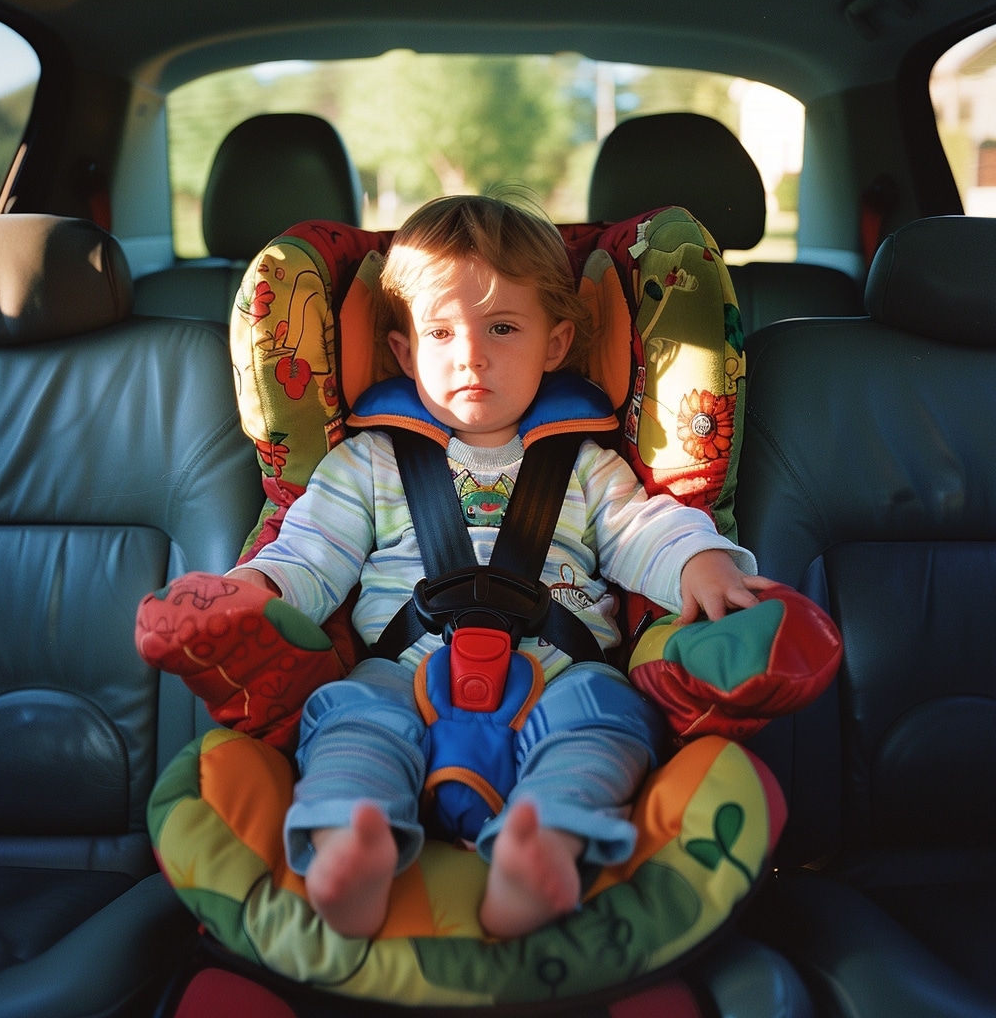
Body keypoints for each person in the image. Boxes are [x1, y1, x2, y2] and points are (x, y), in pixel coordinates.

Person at [228, 193, 773, 941]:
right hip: (402, 673)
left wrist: (701, 560)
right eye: (441, 332)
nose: (471, 356)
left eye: (503, 329)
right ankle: (353, 838)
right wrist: (252, 588)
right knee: (348, 717)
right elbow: (310, 552)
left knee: (613, 715)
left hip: (559, 674)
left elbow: (646, 530)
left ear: (556, 345)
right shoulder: (366, 463)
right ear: (401, 351)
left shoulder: (585, 463)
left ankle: (546, 840)